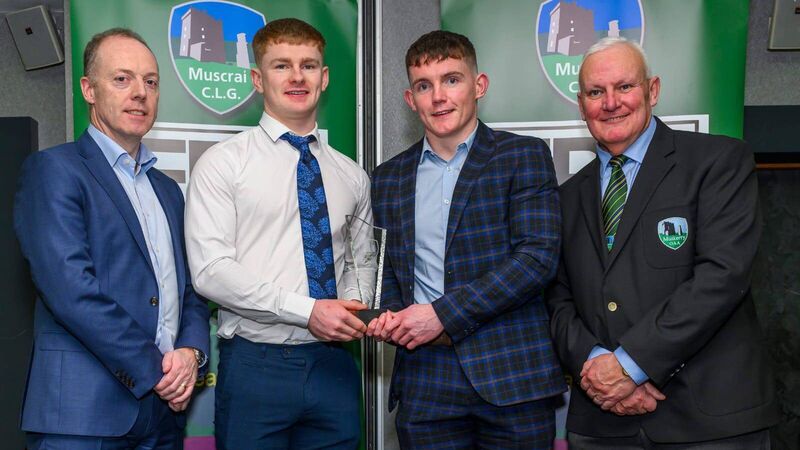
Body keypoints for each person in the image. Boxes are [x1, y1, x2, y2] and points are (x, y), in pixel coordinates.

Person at [546, 37, 779, 448]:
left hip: (709, 422)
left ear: (652, 90)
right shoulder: (566, 197)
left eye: (625, 86)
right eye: (596, 92)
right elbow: (557, 299)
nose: (611, 103)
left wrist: (630, 366)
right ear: (581, 105)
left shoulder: (718, 162)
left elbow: (722, 276)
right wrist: (597, 365)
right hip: (603, 424)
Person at [367, 30, 565, 449]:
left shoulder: (523, 156)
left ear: (479, 85)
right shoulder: (387, 178)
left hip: (511, 375)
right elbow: (388, 272)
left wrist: (441, 315)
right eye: (424, 86)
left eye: (452, 80)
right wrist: (390, 316)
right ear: (410, 99)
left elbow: (537, 259)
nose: (438, 96)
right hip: (425, 379)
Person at [14, 28, 210, 449]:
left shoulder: (168, 190)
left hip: (164, 417)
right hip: (84, 416)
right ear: (89, 89)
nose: (140, 92)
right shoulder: (55, 170)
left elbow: (190, 290)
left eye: (151, 82)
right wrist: (157, 370)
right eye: (122, 79)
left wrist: (191, 353)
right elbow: (70, 290)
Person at [185, 18, 371, 450]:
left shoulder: (352, 176)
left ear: (324, 77)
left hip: (335, 366)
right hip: (257, 365)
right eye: (282, 65)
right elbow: (211, 272)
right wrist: (308, 311)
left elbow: (360, 264)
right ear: (257, 79)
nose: (297, 76)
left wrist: (357, 309)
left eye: (309, 65)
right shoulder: (223, 164)